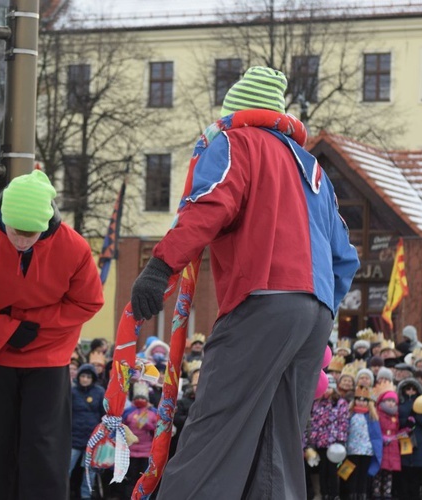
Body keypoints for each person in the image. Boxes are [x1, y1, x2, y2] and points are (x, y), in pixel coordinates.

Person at [129, 66, 359, 499]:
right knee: (281, 440)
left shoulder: (235, 143)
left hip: (263, 299)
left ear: (234, 112)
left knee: (217, 428)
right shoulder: (314, 171)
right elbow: (345, 257)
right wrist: (319, 311)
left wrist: (161, 265)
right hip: (315, 313)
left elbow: (210, 204)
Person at [0, 170, 104, 500]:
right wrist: (6, 330)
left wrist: (32, 326)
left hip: (47, 357)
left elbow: (88, 301)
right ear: (1, 218)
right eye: (13, 231)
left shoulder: (74, 247)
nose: (20, 240)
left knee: (44, 447)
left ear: (47, 222)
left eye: (30, 234)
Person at [69, 363, 105, 500]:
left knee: (90, 472)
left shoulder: (100, 392)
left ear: (93, 378)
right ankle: (62, 493)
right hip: (74, 437)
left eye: (88, 377)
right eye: (83, 376)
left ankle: (86, 495)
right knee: (66, 469)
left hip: (93, 438)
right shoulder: (72, 391)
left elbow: (103, 414)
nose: (85, 379)